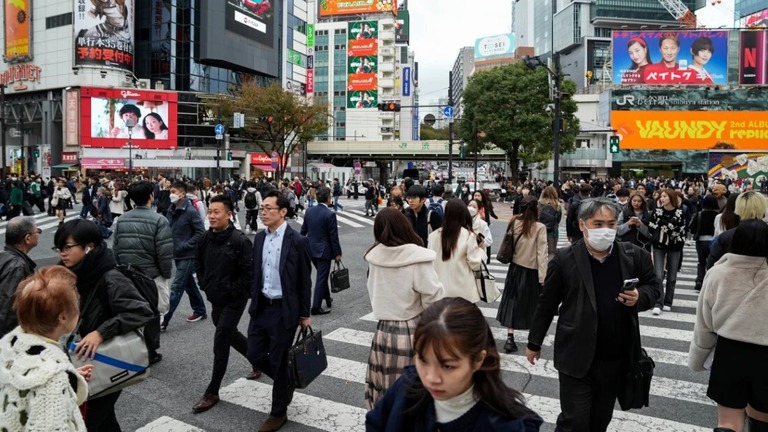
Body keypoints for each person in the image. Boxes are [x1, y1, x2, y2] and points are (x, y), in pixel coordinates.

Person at [526, 197, 660, 432]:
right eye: (598, 224)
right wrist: (534, 342)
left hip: (614, 357)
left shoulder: (632, 255)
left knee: (600, 420)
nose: (605, 230)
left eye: (610, 224)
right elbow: (546, 303)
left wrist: (641, 297)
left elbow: (654, 287)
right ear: (582, 225)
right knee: (574, 421)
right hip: (575, 357)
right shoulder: (565, 259)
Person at [366, 297, 543, 431]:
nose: (431, 378)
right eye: (423, 360)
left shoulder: (509, 425)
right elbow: (375, 423)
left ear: (478, 360)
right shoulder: (407, 386)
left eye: (448, 366)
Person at [54, 219, 154, 431]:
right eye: (59, 247)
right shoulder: (74, 274)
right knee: (103, 420)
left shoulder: (110, 276)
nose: (62, 253)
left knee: (90, 419)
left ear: (88, 247)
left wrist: (100, 332)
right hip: (84, 357)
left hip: (106, 358)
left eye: (67, 247)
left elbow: (140, 311)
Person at [689, 220, 768, 432]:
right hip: (765, 352)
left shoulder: (718, 273)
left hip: (730, 352)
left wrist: (699, 357)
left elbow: (704, 322)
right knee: (762, 419)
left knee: (728, 423)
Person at [364, 208, 444, 410]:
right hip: (413, 328)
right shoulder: (416, 258)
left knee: (385, 387)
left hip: (383, 331)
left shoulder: (375, 256)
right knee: (412, 389)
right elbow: (434, 299)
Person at [247, 191, 312, 432]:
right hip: (262, 306)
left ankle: (278, 412)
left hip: (285, 309)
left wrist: (304, 314)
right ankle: (286, 382)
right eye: (261, 208)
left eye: (268, 208)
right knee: (253, 353)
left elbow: (305, 280)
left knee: (278, 357)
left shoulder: (298, 241)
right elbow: (256, 272)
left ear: (283, 212)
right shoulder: (260, 239)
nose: (262, 212)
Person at [192, 195, 262, 414]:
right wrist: (204, 284)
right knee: (230, 334)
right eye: (210, 212)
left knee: (222, 338)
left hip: (234, 299)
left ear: (229, 214)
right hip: (215, 297)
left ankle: (212, 391)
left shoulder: (240, 240)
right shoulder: (205, 239)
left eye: (216, 212)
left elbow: (249, 274)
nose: (212, 216)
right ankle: (257, 360)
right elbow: (199, 264)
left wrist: (232, 291)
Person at [0, 266, 91, 431]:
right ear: (63, 317)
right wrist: (59, 376)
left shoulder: (8, 344)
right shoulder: (52, 377)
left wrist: (70, 376)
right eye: (76, 302)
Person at [113, 181, 173, 364]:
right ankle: (150, 351)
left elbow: (116, 248)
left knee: (131, 311)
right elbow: (164, 252)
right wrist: (166, 273)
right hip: (151, 274)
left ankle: (132, 349)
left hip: (128, 273)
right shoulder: (159, 220)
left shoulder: (122, 219)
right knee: (152, 312)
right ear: (151, 197)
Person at [497, 196, 547, 353]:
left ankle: (510, 338)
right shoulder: (539, 227)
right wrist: (543, 278)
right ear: (535, 209)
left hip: (515, 268)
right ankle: (532, 339)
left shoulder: (514, 222)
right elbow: (542, 254)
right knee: (532, 305)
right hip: (531, 270)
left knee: (512, 302)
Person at [163, 181, 208, 330]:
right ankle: (200, 310)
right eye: (170, 191)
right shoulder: (171, 209)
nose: (171, 194)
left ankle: (163, 320)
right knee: (188, 284)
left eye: (174, 191)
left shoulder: (190, 211)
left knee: (176, 287)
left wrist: (185, 245)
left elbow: (200, 233)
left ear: (182, 194)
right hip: (177, 253)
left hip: (188, 255)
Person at [428, 199, 485, 303]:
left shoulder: (433, 236)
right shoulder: (468, 236)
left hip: (439, 289)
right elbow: (476, 263)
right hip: (463, 290)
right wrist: (480, 249)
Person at [300, 186, 342, 315]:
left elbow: (303, 232)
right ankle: (316, 306)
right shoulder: (329, 214)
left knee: (321, 276)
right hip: (324, 251)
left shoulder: (309, 211)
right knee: (321, 278)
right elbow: (333, 237)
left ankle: (327, 299)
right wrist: (337, 253)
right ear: (328, 198)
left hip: (311, 249)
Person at [0, 217, 41, 337]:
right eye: (37, 231)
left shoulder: (4, 256)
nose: (38, 234)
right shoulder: (18, 267)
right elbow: (7, 310)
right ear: (28, 238)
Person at [648, 190, 686, 315]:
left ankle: (668, 301)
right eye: (661, 196)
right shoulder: (657, 211)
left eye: (665, 196)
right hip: (658, 245)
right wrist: (667, 227)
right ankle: (658, 302)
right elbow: (652, 226)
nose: (662, 198)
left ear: (671, 197)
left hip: (675, 246)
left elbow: (680, 229)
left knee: (672, 276)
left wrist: (663, 227)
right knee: (658, 274)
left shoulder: (680, 212)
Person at [707, 191, 768, 270]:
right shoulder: (764, 234)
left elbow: (712, 264)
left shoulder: (725, 237)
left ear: (738, 209)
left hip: (729, 278)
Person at [688, 195, 719, 291]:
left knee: (701, 262)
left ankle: (699, 280)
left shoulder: (700, 214)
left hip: (701, 241)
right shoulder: (718, 216)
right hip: (714, 241)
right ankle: (710, 282)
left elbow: (692, 228)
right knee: (712, 262)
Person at [538, 185, 562, 257]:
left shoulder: (540, 203)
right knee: (552, 252)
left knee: (540, 250)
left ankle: (541, 266)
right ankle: (550, 266)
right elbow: (558, 218)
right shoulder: (557, 204)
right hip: (553, 230)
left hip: (541, 228)